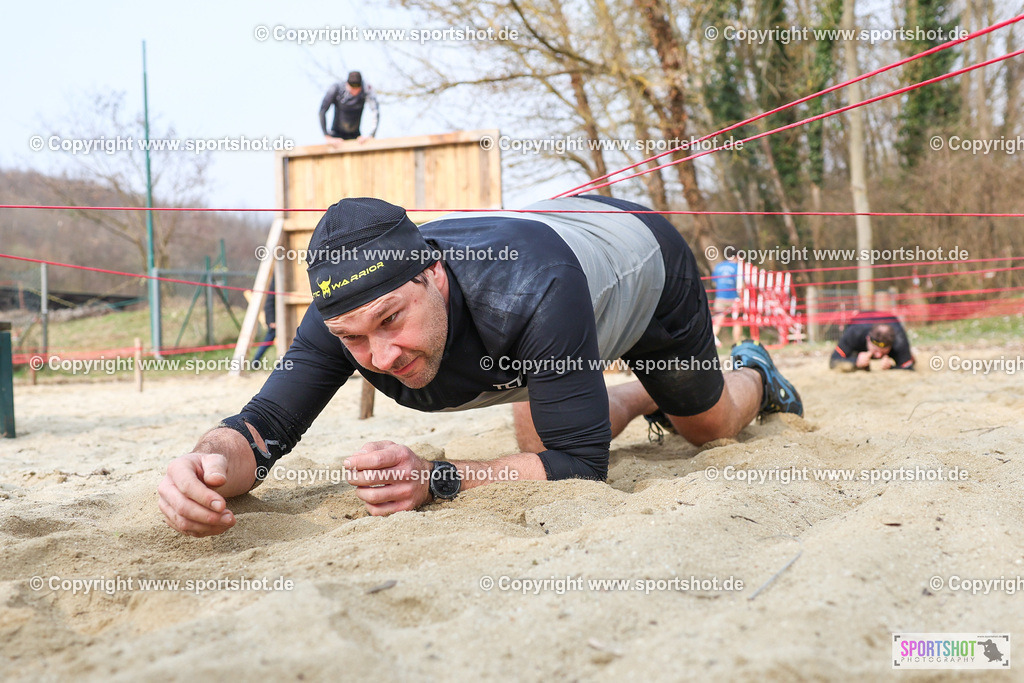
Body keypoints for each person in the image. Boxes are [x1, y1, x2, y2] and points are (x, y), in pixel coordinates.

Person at [158, 196, 804, 537]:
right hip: (557, 274)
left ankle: (754, 370)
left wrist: (437, 477)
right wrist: (205, 465)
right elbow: (259, 426)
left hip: (642, 261)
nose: (380, 356)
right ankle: (636, 397)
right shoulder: (344, 314)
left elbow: (582, 471)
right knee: (536, 439)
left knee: (709, 427)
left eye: (392, 320)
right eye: (355, 338)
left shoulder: (532, 291)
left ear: (433, 274)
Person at [829, 313, 915, 371]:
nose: (878, 355)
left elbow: (908, 367)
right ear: (868, 339)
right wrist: (855, 362)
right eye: (875, 350)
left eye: (883, 351)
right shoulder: (855, 332)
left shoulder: (899, 339)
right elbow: (833, 361)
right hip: (860, 322)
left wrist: (892, 367)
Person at [319, 71, 379, 143]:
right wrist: (327, 136)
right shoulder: (337, 88)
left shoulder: (365, 89)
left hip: (355, 135)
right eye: (352, 89)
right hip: (336, 135)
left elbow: (375, 110)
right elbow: (322, 111)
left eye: (357, 89)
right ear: (347, 84)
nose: (354, 92)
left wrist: (371, 135)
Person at [710, 252, 742, 347]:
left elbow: (714, 283)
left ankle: (713, 340)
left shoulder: (718, 266)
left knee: (718, 320)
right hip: (734, 298)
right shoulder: (737, 267)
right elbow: (740, 284)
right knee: (737, 320)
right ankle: (737, 342)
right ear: (737, 256)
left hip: (720, 297)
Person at [251, 277, 276, 364]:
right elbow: (269, 302)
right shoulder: (276, 279)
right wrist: (271, 320)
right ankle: (255, 361)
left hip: (280, 320)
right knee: (268, 341)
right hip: (275, 321)